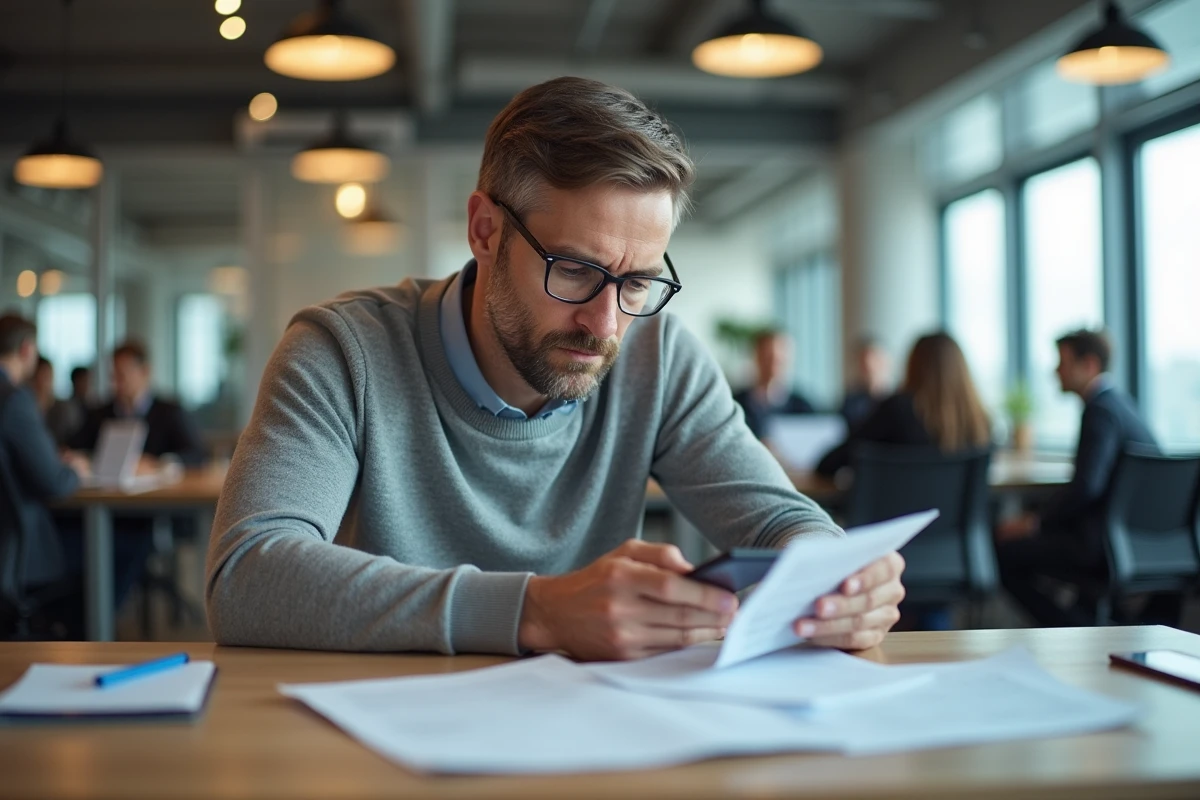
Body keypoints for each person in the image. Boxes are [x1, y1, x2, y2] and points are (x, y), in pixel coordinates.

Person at [206, 77, 907, 660]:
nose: (606, 325)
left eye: (636, 282)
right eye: (574, 270)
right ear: (485, 231)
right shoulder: (342, 351)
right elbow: (247, 575)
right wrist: (532, 611)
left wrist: (836, 578)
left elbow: (778, 518)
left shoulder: (657, 354)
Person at [996, 329, 1160, 627]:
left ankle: (1072, 627)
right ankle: (1084, 620)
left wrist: (1035, 522)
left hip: (1102, 545)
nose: (1055, 371)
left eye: (1063, 362)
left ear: (1089, 365)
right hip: (1140, 540)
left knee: (1000, 552)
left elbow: (1087, 487)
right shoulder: (1122, 406)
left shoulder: (1100, 411)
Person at [0, 316, 89, 610]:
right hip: (19, 549)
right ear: (27, 349)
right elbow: (53, 483)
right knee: (122, 545)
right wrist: (74, 469)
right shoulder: (15, 399)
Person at [816, 332, 991, 478]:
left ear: (912, 366)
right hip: (961, 521)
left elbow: (829, 464)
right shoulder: (981, 422)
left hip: (901, 518)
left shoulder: (896, 410)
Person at [70, 341, 206, 466]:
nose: (116, 383)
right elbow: (74, 448)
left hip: (160, 491)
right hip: (108, 491)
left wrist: (159, 464)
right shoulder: (98, 415)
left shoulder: (170, 412)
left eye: (123, 375)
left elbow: (197, 454)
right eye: (114, 376)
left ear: (145, 371)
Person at [732, 329, 815, 440]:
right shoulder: (735, 404)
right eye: (768, 357)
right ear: (756, 356)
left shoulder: (803, 408)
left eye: (780, 358)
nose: (773, 363)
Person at [840, 336, 891, 431]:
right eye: (864, 362)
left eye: (876, 360)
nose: (870, 367)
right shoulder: (851, 401)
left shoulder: (899, 398)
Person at [31, 356, 83, 447]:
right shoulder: (26, 408)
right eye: (42, 376)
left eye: (48, 376)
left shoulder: (63, 409)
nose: (45, 382)